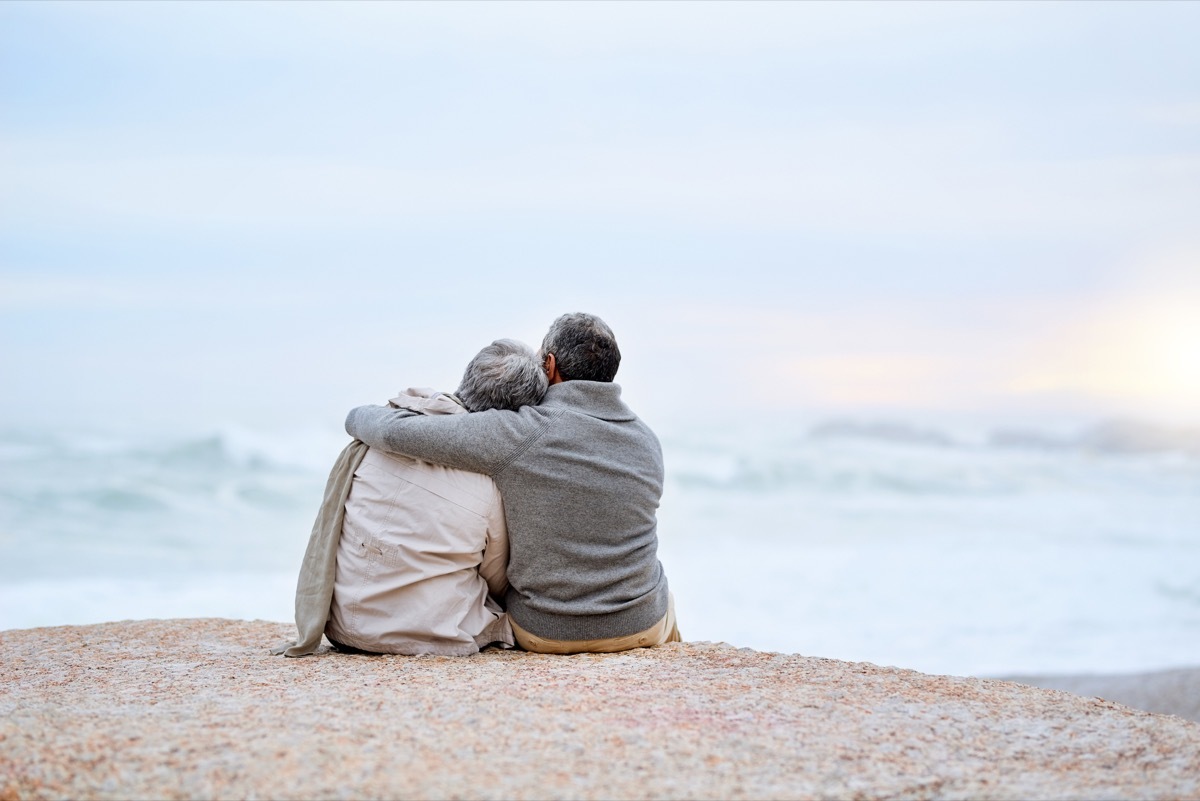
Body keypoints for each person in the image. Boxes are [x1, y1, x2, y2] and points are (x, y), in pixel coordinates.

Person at [345, 312, 679, 654]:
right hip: (642, 625)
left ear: (550, 365)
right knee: (662, 596)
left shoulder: (520, 431)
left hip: (545, 632)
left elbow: (396, 433)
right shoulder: (647, 441)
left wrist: (356, 415)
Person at [273, 339, 548, 657]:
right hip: (429, 636)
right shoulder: (490, 483)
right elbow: (496, 576)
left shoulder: (375, 439)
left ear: (467, 377)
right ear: (516, 415)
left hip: (341, 626)